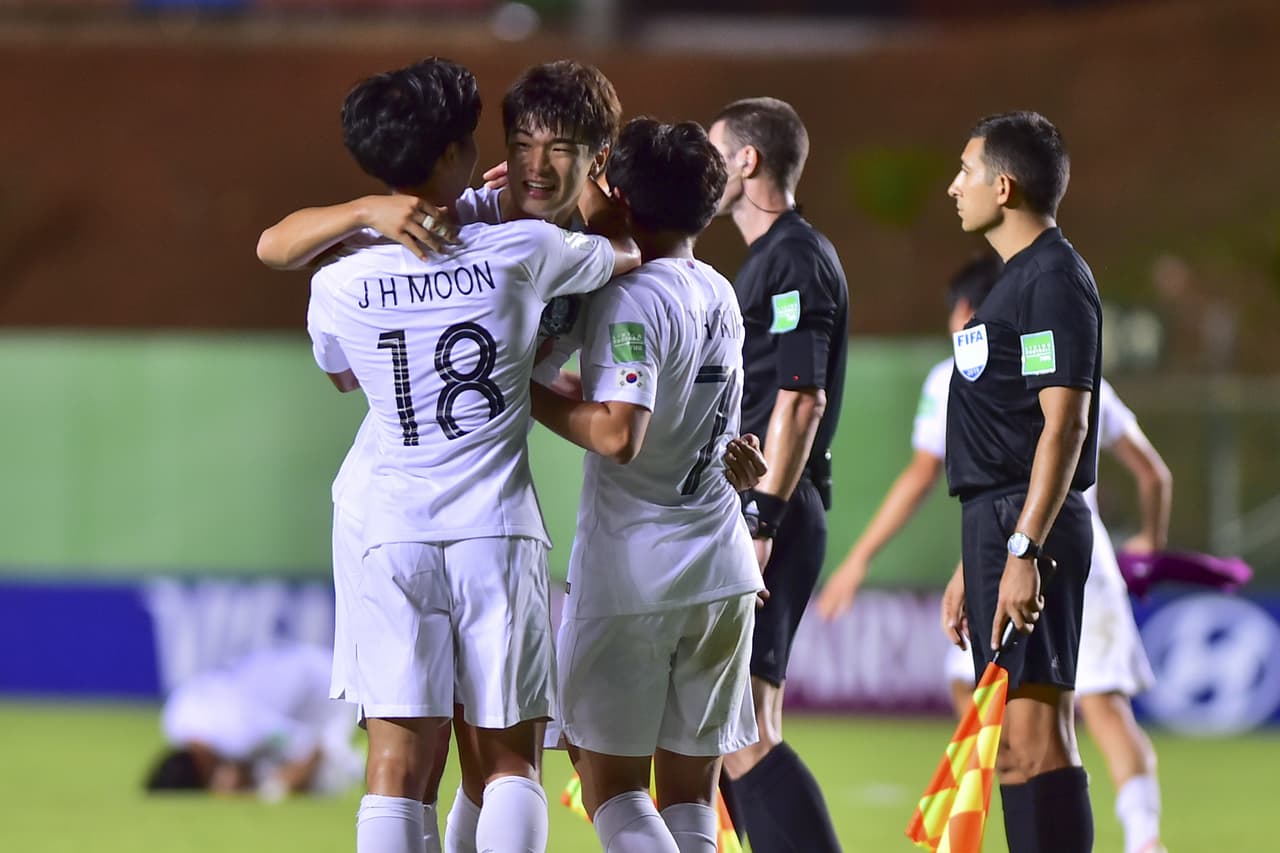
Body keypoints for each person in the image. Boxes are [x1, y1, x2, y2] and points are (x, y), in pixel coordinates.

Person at [258, 59, 626, 853]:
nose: (536, 163)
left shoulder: (362, 271)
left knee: (423, 758)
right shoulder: (495, 229)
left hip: (409, 513)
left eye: (559, 147)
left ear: (595, 155)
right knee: (487, 759)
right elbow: (277, 243)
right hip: (440, 512)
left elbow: (337, 359)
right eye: (521, 141)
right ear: (471, 149)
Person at [816, 257, 1172, 853]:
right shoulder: (1075, 364)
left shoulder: (961, 371)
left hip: (1028, 549)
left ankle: (1130, 840)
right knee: (1079, 708)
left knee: (1031, 722)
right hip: (1038, 551)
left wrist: (861, 558)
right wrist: (1151, 543)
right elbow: (1152, 474)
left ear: (966, 315)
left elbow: (931, 474)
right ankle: (1139, 838)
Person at [530, 117, 763, 853]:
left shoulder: (633, 296)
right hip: (720, 569)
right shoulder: (718, 291)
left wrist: (516, 388)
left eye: (599, 178)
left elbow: (617, 432)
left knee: (616, 787)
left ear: (622, 197)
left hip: (640, 575)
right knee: (690, 794)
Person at [942, 110, 1101, 853]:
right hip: (996, 519)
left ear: (1003, 186)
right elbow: (1008, 428)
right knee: (1005, 743)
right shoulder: (1016, 281)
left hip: (1025, 524)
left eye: (966, 172)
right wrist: (970, 559)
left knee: (1038, 736)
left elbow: (1062, 425)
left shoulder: (1051, 278)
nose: (954, 187)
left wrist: (1022, 547)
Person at [707, 97, 847, 853]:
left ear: (747, 161)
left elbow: (801, 395)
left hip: (776, 509)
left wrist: (760, 517)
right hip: (766, 505)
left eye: (714, 152)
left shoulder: (792, 256)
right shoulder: (766, 259)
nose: (707, 167)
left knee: (744, 732)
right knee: (744, 727)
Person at [144, 644, 363, 799]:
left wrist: (269, 792)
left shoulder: (240, 735)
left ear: (203, 769)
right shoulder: (173, 717)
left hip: (328, 686)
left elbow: (311, 746)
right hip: (292, 668)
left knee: (317, 782)